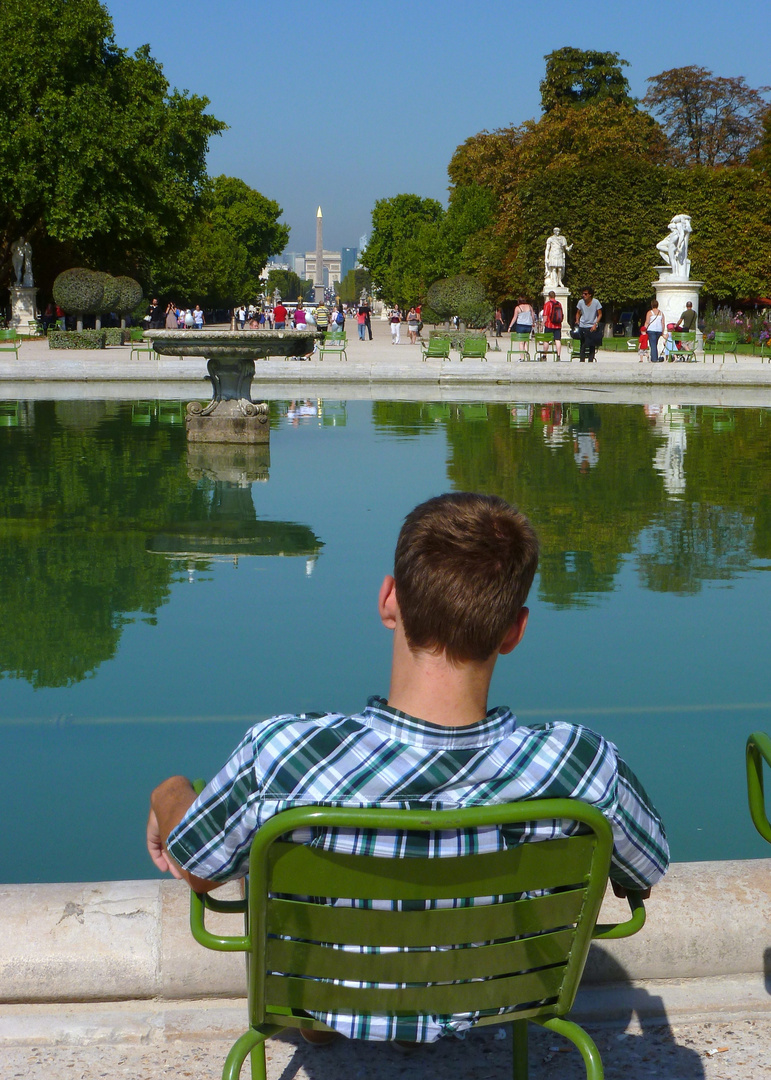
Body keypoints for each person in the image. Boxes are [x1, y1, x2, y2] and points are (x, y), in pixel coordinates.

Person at [147, 491, 669, 1044]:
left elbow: (199, 867)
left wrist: (171, 793)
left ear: (389, 600)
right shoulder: (583, 766)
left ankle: (348, 999)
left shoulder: (283, 754)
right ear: (514, 630)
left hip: (329, 998)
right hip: (501, 997)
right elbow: (646, 871)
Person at [575, 288, 603, 362]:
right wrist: (577, 320)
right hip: (583, 325)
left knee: (592, 345)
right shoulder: (580, 302)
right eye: (583, 294)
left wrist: (595, 324)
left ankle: (590, 361)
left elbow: (600, 314)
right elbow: (578, 312)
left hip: (592, 325)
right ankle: (582, 361)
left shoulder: (596, 302)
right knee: (583, 344)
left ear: (590, 295)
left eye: (585, 294)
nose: (583, 295)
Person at [542, 290, 564, 358]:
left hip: (549, 324)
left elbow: (545, 315)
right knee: (557, 340)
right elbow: (562, 314)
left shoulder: (547, 304)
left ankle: (544, 355)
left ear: (549, 296)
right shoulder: (559, 304)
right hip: (557, 325)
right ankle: (558, 355)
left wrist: (542, 323)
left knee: (546, 340)